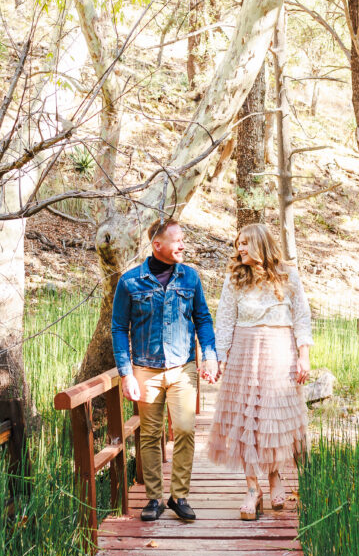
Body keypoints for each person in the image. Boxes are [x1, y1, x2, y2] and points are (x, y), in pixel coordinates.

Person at [112, 218, 221, 522]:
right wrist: (126, 372)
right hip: (145, 369)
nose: (183, 245)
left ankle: (179, 495)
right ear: (157, 245)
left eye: (183, 240)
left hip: (182, 367)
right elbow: (119, 327)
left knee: (185, 429)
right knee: (149, 434)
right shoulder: (130, 281)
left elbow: (203, 319)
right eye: (177, 241)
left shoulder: (190, 278)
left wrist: (209, 356)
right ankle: (153, 498)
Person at [207, 223, 312, 520]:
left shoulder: (288, 275)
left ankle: (275, 478)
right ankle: (252, 489)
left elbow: (302, 317)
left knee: (272, 419)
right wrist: (221, 357)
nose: (239, 249)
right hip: (244, 351)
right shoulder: (235, 278)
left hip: (280, 351)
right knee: (247, 422)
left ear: (261, 245)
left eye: (245, 244)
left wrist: (304, 355)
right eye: (238, 243)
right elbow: (225, 320)